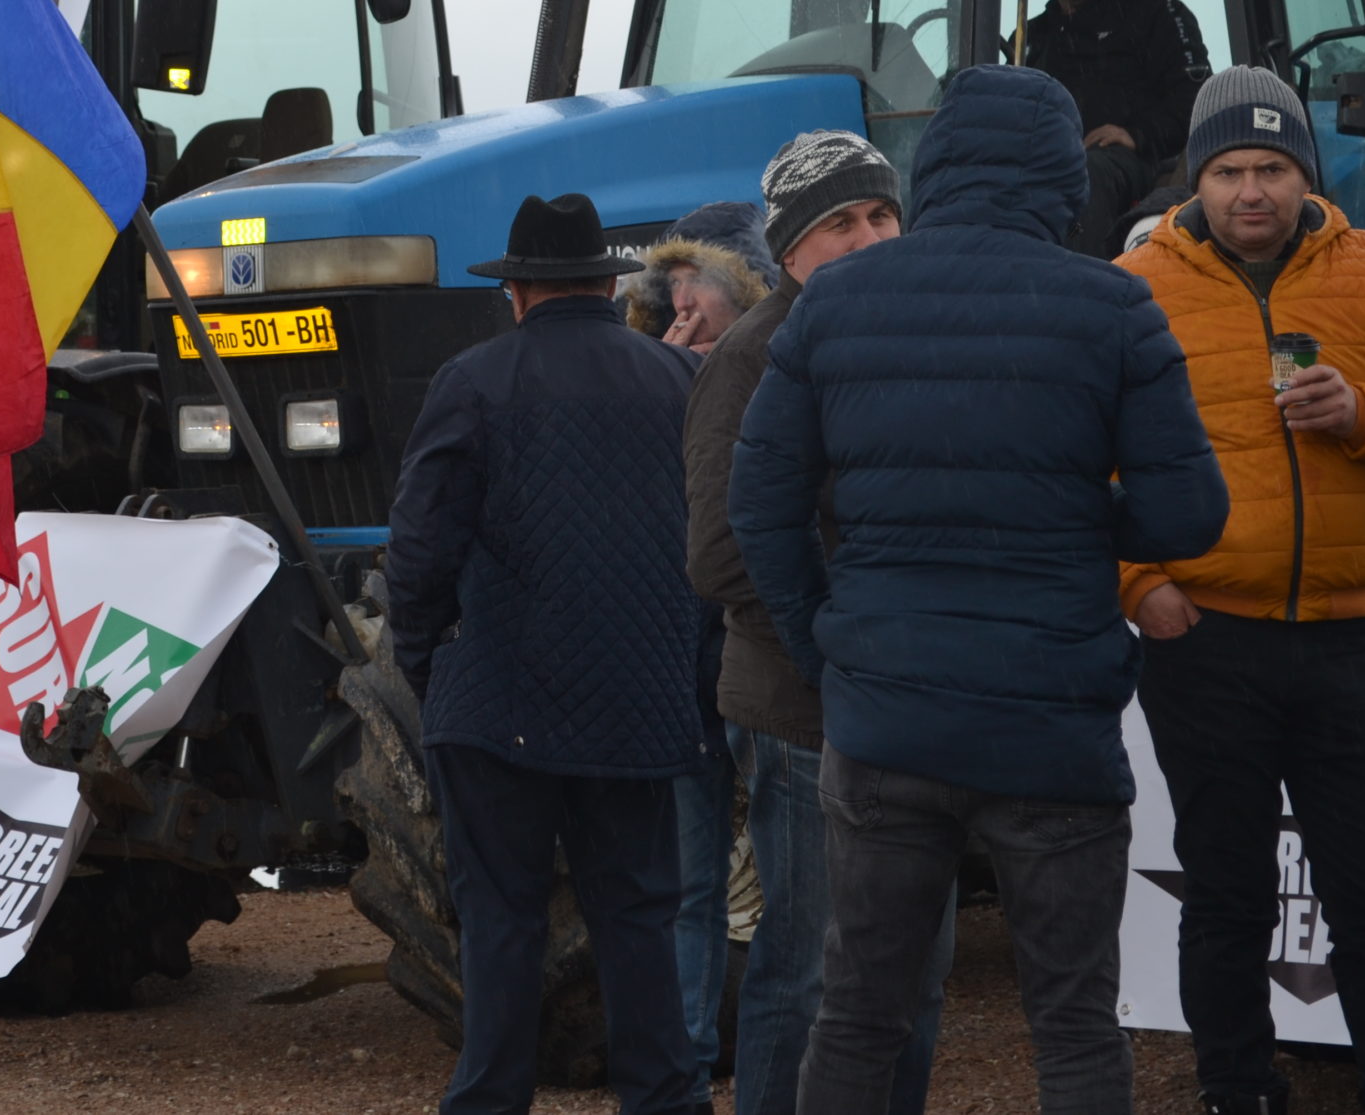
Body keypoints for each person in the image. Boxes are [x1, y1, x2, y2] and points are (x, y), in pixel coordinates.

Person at [732, 64, 1229, 1115]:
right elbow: (1189, 518)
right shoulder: (1113, 305)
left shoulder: (831, 308)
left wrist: (826, 651)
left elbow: (759, 510)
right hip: (1053, 719)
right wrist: (1078, 529)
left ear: (935, 167)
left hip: (883, 719)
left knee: (857, 1018)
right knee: (1074, 1024)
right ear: (1060, 174)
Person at [1118, 66, 1365, 1115]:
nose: (1252, 191)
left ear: (1304, 174)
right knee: (1226, 894)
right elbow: (1087, 460)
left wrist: (1364, 410)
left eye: (1273, 168)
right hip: (1203, 641)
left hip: (1346, 643)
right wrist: (1137, 583)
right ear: (1198, 179)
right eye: (1230, 169)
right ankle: (1235, 1089)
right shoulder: (1136, 282)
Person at [386, 191, 703, 1115]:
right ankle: (667, 1099)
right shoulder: (675, 381)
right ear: (607, 283)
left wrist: (425, 666)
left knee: (501, 925)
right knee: (641, 918)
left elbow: (419, 549)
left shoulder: (475, 380)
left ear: (517, 290)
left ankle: (490, 1100)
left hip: (498, 704)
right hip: (640, 700)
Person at [683, 130, 946, 1115]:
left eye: (881, 213)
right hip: (802, 707)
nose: (870, 236)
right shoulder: (752, 358)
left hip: (915, 704)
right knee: (808, 967)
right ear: (789, 249)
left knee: (917, 965)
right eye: (840, 222)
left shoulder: (920, 335)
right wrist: (846, 630)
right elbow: (716, 552)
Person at [1022, 0, 1212, 257]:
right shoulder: (1033, 36)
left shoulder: (1153, 12)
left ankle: (1081, 288)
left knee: (1085, 172)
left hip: (1137, 162)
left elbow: (1196, 95)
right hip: (1046, 162)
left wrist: (1138, 135)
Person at [629, 230, 768, 355]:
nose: (682, 303)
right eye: (675, 283)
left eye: (698, 281)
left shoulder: (777, 361)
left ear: (739, 290)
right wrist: (668, 367)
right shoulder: (648, 360)